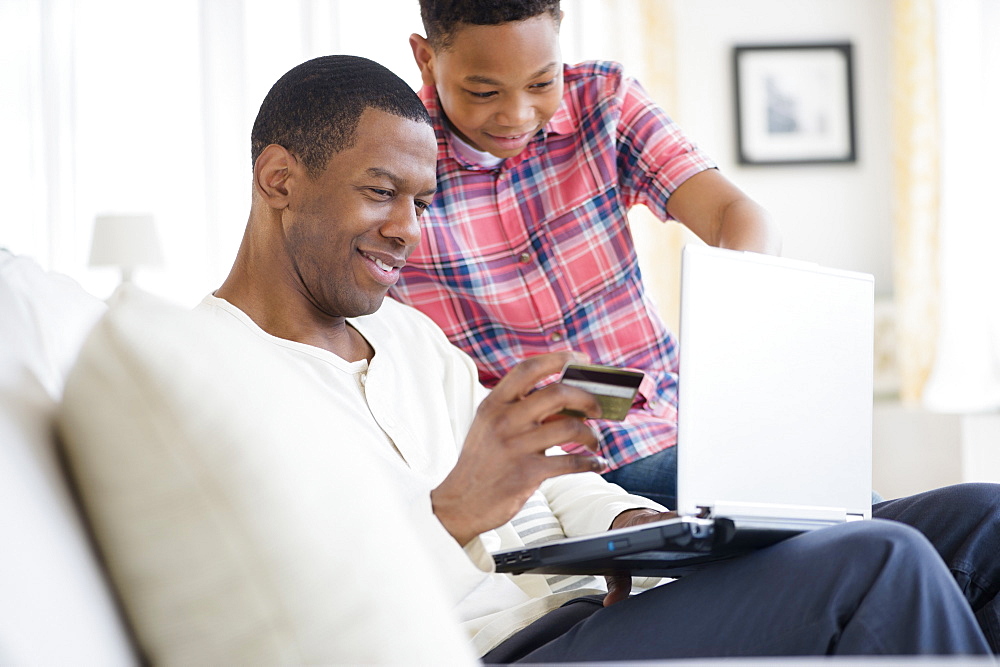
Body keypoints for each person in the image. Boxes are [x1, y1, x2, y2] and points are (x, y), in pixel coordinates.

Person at [196, 53, 999, 661]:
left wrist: (630, 522)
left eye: (421, 200)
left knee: (981, 520)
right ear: (279, 180)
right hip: (506, 644)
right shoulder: (209, 375)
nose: (410, 229)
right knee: (879, 562)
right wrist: (453, 514)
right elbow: (288, 616)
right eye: (381, 193)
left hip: (595, 596)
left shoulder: (408, 336)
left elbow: (556, 488)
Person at [389, 0, 781, 508]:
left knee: (869, 516)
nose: (517, 115)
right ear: (425, 59)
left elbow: (737, 215)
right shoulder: (394, 156)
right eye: (483, 92)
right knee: (853, 527)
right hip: (550, 463)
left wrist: (736, 320)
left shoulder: (602, 99)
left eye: (541, 83)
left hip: (675, 419)